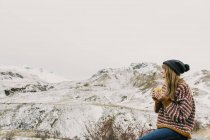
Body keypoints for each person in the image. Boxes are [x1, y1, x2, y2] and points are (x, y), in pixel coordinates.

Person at [138, 59, 195, 140]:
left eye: (164, 69)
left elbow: (182, 117)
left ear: (170, 71)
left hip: (178, 130)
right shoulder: (165, 86)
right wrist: (158, 100)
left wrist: (165, 100)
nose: (161, 71)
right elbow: (158, 110)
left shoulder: (183, 87)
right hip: (165, 128)